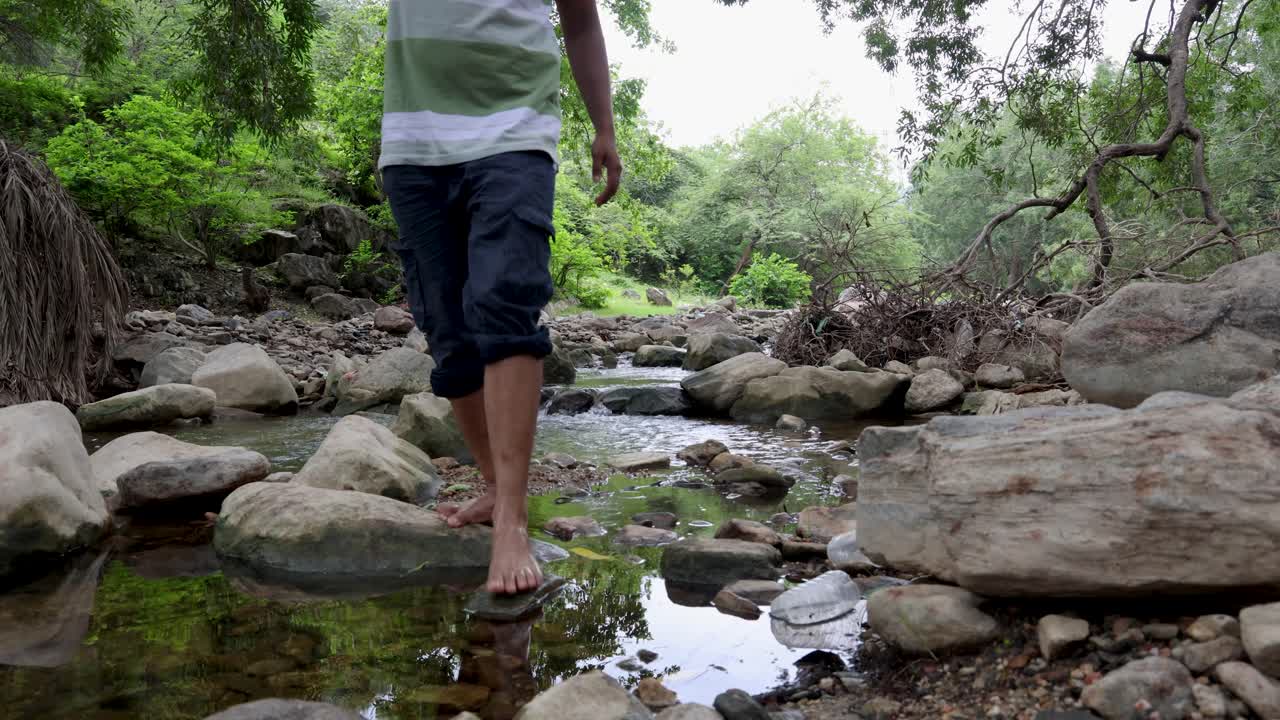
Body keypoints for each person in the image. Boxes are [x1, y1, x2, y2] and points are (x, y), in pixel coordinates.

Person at [380, 0, 621, 596]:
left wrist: (605, 127)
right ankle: (493, 486)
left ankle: (512, 516)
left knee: (504, 303)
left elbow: (581, 20)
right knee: (447, 328)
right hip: (413, 141)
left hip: (515, 130)